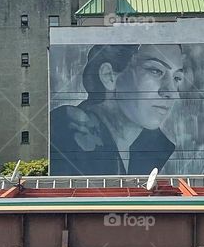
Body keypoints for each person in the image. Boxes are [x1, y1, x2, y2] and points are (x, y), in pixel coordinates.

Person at [50, 44, 184, 175]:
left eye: (177, 78)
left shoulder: (155, 146)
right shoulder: (67, 128)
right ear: (109, 76)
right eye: (155, 71)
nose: (172, 92)